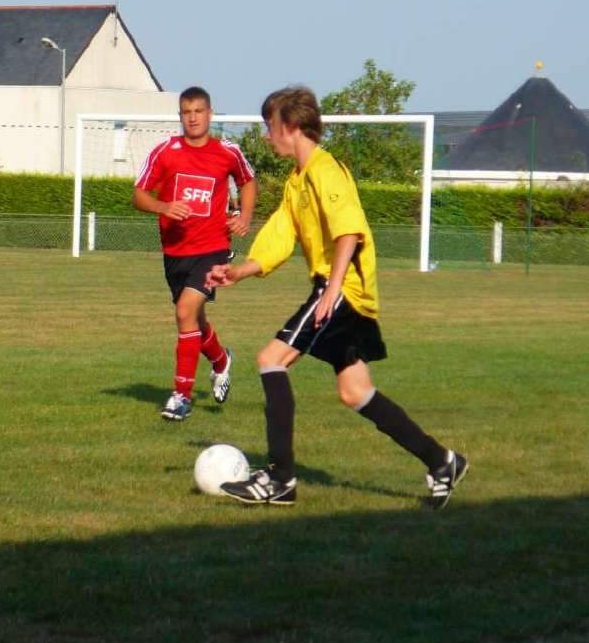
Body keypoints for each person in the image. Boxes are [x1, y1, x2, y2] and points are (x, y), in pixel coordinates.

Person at [205, 86, 468, 508]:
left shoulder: (326, 171)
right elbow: (279, 237)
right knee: (354, 392)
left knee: (270, 359)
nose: (268, 135)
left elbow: (349, 231)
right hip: (338, 289)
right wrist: (240, 271)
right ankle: (442, 461)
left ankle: (280, 480)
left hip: (341, 288)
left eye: (270, 126)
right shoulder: (298, 182)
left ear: (290, 126)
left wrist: (331, 290)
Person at [133, 86, 257, 421]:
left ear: (210, 114)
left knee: (185, 312)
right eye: (187, 112)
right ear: (180, 116)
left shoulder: (227, 152)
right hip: (175, 251)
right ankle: (220, 360)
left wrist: (244, 216)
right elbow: (139, 195)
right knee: (193, 319)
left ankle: (181, 396)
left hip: (213, 248)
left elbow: (248, 181)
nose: (193, 117)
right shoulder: (165, 152)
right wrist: (164, 206)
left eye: (199, 111)